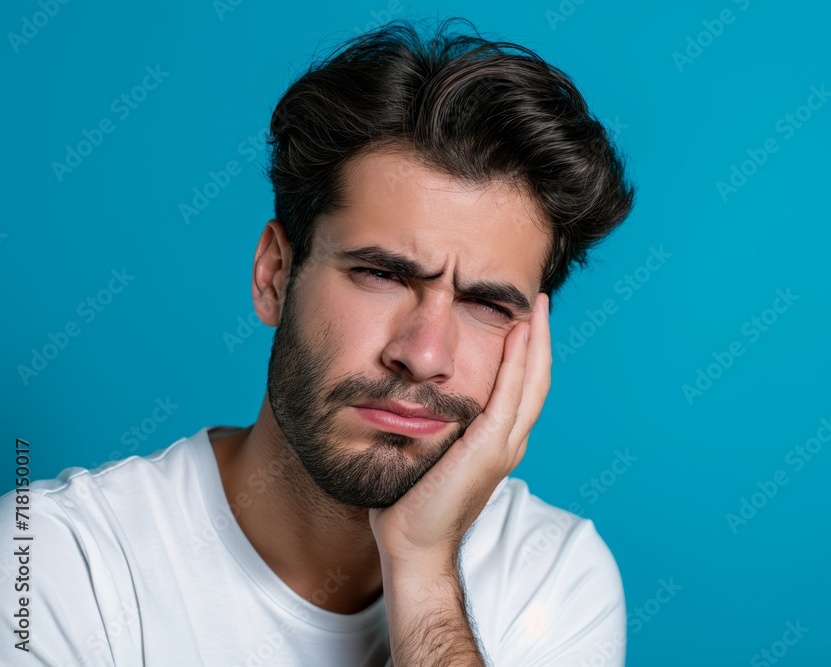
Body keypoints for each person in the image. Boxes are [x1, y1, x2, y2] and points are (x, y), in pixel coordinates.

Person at [1, 18, 635, 666]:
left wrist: (420, 564)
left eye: (485, 304)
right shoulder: (49, 568)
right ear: (275, 275)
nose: (423, 355)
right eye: (381, 275)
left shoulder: (552, 575)